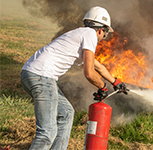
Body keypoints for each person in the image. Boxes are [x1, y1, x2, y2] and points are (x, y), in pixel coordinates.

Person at [20, 6, 127, 150]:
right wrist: (102, 87)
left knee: (66, 113)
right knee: (47, 132)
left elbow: (98, 67)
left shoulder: (80, 35)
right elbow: (89, 73)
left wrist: (115, 82)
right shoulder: (90, 35)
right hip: (41, 76)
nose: (103, 38)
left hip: (33, 74)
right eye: (105, 34)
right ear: (101, 30)